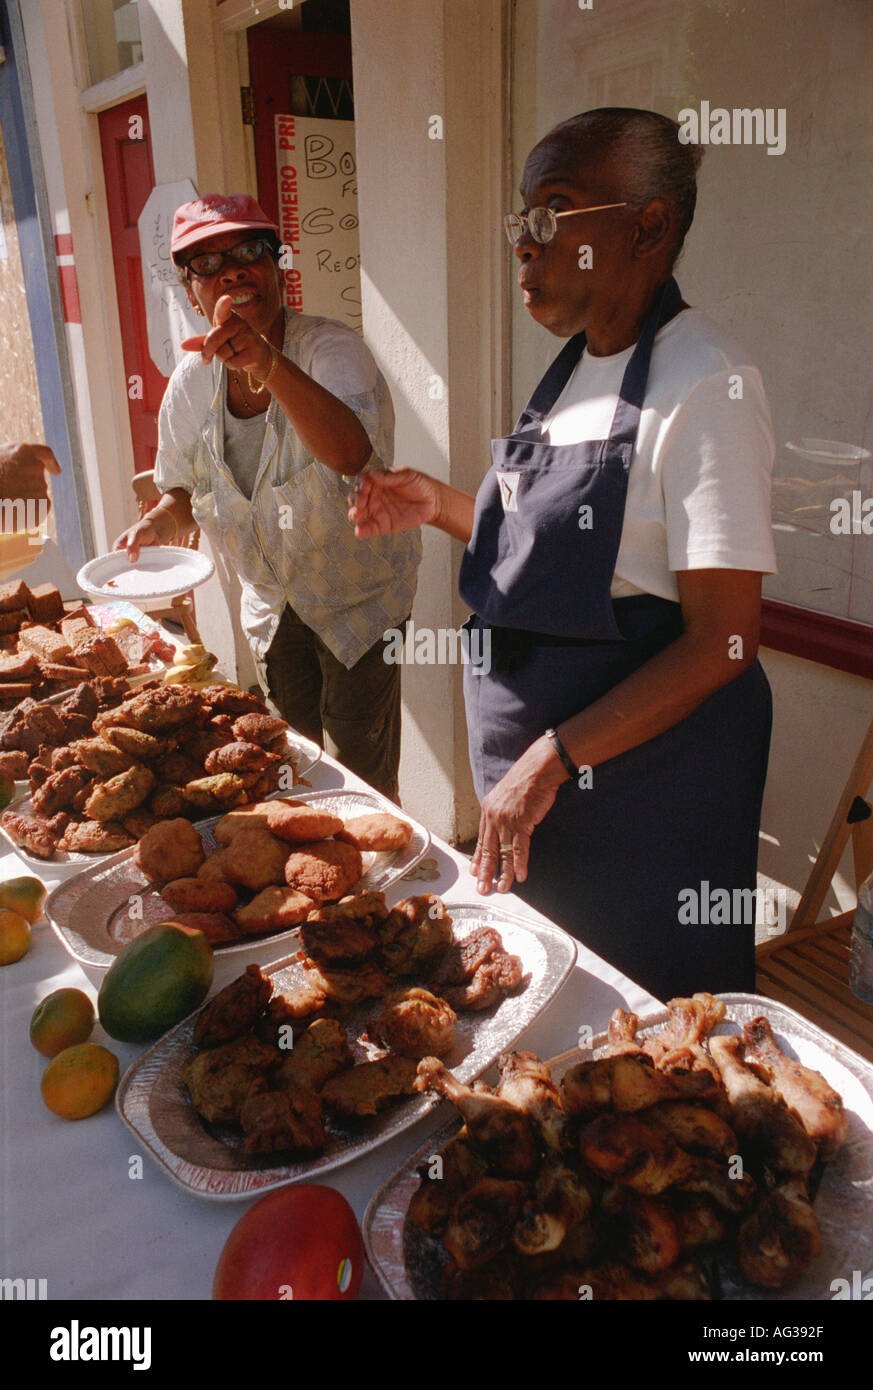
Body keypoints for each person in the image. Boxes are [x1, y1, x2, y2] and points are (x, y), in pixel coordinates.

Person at [350, 109, 776, 1000]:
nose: (524, 245)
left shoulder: (707, 381)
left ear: (646, 225)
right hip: (545, 775)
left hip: (641, 790)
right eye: (520, 220)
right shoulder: (573, 374)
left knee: (644, 1017)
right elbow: (565, 554)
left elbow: (725, 641)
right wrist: (442, 508)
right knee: (552, 993)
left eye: (552, 212)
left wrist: (552, 759)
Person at [115, 194, 420, 800]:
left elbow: (350, 456)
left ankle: (378, 875)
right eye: (206, 263)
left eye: (249, 252)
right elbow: (180, 488)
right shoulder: (191, 381)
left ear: (277, 268)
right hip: (272, 606)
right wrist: (156, 523)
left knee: (361, 774)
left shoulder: (331, 350)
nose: (231, 270)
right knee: (288, 762)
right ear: (190, 289)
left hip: (357, 599)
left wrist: (267, 362)